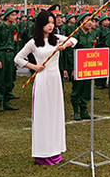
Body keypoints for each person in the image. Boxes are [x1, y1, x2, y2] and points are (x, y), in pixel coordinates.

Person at [14, 11, 76, 165]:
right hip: (42, 80)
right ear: (40, 24)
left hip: (55, 80)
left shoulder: (57, 39)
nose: (51, 26)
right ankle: (42, 152)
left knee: (55, 113)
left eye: (52, 22)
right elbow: (18, 58)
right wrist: (34, 67)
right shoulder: (33, 42)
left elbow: (74, 39)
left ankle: (55, 149)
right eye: (48, 22)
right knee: (43, 115)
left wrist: (65, 45)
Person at [0, 8, 20, 112]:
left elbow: (16, 43)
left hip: (10, 55)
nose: (15, 17)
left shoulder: (15, 28)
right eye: (12, 15)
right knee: (0, 79)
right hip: (2, 53)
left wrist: (17, 58)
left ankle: (7, 101)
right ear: (7, 17)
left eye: (15, 15)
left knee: (9, 79)